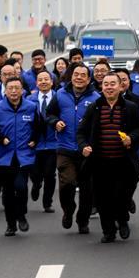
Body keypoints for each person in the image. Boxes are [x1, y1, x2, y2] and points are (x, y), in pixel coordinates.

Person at [77, 72, 139, 243]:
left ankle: (122, 221)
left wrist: (131, 138)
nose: (108, 87)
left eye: (112, 84)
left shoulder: (130, 107)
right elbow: (81, 132)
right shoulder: (94, 107)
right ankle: (108, 230)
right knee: (102, 198)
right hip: (100, 161)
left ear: (121, 86)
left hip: (123, 161)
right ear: (101, 87)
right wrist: (84, 146)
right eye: (105, 84)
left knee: (121, 196)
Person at [45, 63, 99, 234]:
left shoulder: (96, 98)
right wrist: (55, 122)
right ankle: (68, 211)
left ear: (89, 79)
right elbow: (49, 114)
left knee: (87, 189)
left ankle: (82, 220)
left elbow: (100, 124)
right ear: (71, 76)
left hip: (87, 151)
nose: (79, 78)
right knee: (67, 182)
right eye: (76, 74)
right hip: (65, 147)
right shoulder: (60, 95)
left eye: (83, 75)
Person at [0, 77, 38, 236]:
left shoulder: (31, 107)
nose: (14, 91)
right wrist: (1, 139)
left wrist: (34, 140)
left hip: (24, 155)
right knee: (8, 192)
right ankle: (11, 224)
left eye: (17, 88)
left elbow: (39, 128)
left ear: (22, 90)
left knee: (21, 187)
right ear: (6, 90)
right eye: (11, 88)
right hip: (4, 156)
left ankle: (21, 214)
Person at [28, 70, 58, 213]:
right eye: (40, 80)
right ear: (36, 83)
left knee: (50, 174)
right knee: (35, 173)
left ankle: (47, 202)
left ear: (52, 82)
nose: (44, 82)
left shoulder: (59, 98)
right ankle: (36, 184)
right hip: (35, 144)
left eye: (47, 79)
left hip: (53, 143)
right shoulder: (29, 100)